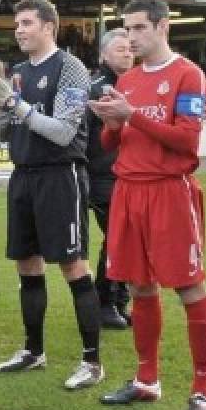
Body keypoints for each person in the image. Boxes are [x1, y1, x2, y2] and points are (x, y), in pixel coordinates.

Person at [89, 0, 206, 410]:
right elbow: (114, 144)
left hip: (169, 192)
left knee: (188, 288)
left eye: (139, 28)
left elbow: (186, 142)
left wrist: (131, 117)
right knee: (141, 288)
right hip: (129, 191)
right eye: (126, 30)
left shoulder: (187, 75)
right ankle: (147, 379)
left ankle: (203, 391)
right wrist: (110, 123)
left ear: (163, 27)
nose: (131, 38)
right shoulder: (127, 81)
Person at [0, 0, 104, 390]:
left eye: (27, 22)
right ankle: (34, 351)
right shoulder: (16, 72)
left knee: (73, 265)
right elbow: (3, 133)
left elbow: (64, 131)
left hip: (60, 176)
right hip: (24, 177)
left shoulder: (71, 68)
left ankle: (92, 362)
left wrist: (17, 105)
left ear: (49, 26)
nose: (19, 30)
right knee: (26, 263)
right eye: (17, 23)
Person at [87, 28, 133, 329]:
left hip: (124, 173)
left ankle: (116, 301)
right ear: (103, 54)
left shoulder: (134, 82)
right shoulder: (98, 88)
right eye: (120, 49)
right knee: (118, 236)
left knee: (126, 236)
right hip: (102, 175)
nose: (128, 53)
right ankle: (104, 301)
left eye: (130, 49)